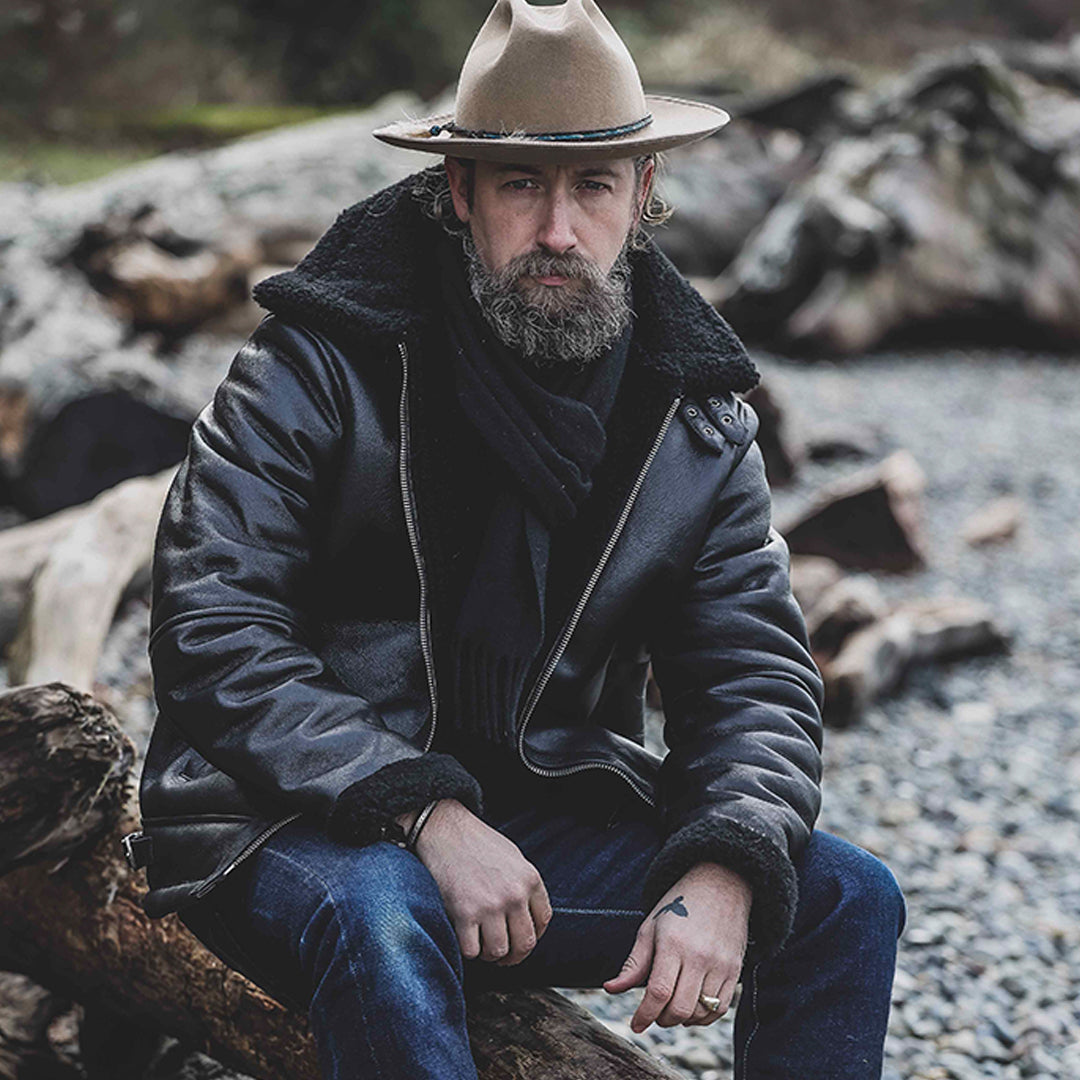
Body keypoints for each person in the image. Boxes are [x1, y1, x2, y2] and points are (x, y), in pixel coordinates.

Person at [125, 0, 906, 1076]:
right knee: (383, 911)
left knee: (846, 896)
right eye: (520, 185)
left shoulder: (697, 418)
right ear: (459, 193)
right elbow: (215, 627)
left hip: (526, 827)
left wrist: (729, 861)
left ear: (644, 196)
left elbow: (755, 678)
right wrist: (421, 808)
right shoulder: (314, 363)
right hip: (278, 821)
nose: (557, 231)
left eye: (592, 186)